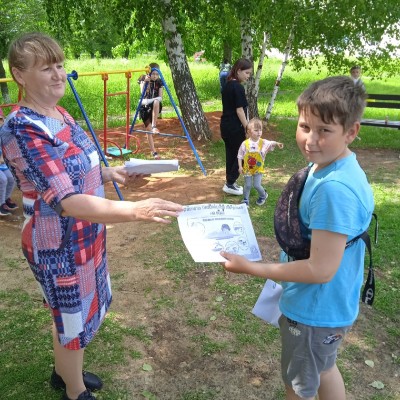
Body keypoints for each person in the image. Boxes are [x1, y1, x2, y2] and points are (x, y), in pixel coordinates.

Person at [0, 33, 183, 400]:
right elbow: (65, 200)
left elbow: (75, 169)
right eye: (46, 68)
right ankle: (75, 390)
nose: (58, 75)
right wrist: (135, 210)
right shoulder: (21, 128)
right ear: (19, 75)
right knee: (71, 317)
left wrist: (110, 173)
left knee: (75, 314)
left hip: (85, 234)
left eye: (59, 65)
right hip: (56, 244)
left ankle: (63, 372)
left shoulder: (59, 114)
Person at [220, 76, 374, 400]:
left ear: (351, 132)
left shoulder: (335, 190)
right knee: (324, 368)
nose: (310, 140)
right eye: (305, 126)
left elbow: (320, 269)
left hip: (314, 310)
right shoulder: (333, 166)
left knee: (299, 385)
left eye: (324, 130)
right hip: (327, 305)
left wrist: (251, 268)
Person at [220, 58, 253, 196]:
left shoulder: (227, 84)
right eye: (247, 73)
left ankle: (230, 182)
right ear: (238, 71)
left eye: (250, 74)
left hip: (226, 126)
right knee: (244, 153)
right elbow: (240, 110)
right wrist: (247, 128)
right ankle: (230, 183)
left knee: (232, 155)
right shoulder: (237, 87)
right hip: (234, 127)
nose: (248, 76)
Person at [238, 117, 284, 207]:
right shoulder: (245, 144)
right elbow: (240, 156)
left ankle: (263, 195)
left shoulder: (263, 142)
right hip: (247, 169)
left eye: (260, 130)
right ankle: (245, 200)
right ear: (249, 132)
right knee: (247, 185)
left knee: (257, 185)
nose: (259, 132)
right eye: (256, 130)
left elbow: (271, 143)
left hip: (258, 169)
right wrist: (240, 166)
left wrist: (277, 143)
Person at [137, 62, 163, 160]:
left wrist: (154, 100)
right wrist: (145, 83)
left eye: (157, 74)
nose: (155, 76)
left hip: (154, 105)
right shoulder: (143, 78)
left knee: (156, 101)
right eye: (153, 74)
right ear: (149, 73)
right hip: (144, 106)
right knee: (148, 130)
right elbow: (142, 92)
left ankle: (154, 126)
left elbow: (160, 97)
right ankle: (154, 151)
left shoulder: (159, 82)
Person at [0, 108, 18, 216]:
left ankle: (6, 199)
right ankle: (1, 204)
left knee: (12, 177)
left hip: (2, 163)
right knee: (2, 179)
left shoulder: (3, 133)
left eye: (1, 119)